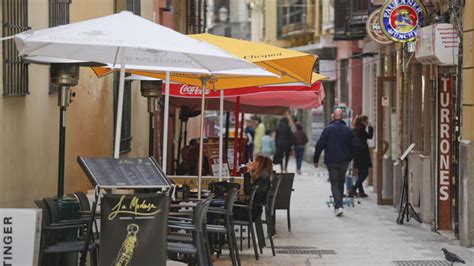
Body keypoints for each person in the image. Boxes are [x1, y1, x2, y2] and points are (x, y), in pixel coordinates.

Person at [313, 109, 358, 217]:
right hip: (344, 161)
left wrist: (316, 159)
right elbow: (355, 146)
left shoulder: (327, 130)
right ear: (342, 117)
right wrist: (349, 158)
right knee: (340, 181)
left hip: (331, 161)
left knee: (334, 183)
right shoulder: (348, 130)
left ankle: (338, 206)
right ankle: (339, 205)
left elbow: (320, 145)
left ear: (333, 116)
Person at [234, 155, 272, 221]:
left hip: (249, 212)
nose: (253, 162)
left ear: (260, 164)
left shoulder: (263, 178)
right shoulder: (263, 176)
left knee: (221, 208)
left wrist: (248, 171)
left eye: (255, 160)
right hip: (252, 210)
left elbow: (247, 191)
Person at [351, 115, 373, 198]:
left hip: (357, 153)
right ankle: (354, 188)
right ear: (364, 121)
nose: (368, 122)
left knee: (360, 173)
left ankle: (361, 191)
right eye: (367, 121)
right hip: (363, 153)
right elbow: (370, 136)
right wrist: (370, 127)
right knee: (365, 173)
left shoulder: (356, 129)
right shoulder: (362, 129)